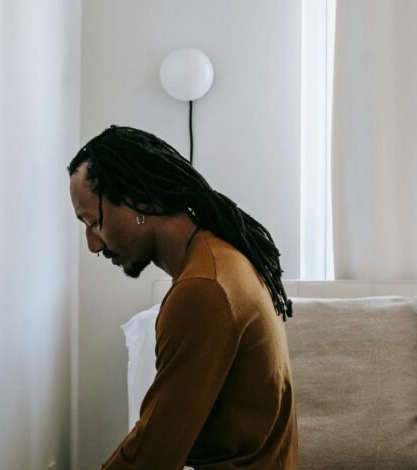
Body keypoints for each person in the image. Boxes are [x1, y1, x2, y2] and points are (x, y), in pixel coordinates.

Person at [67, 125, 298, 469]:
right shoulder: (223, 259)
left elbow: (152, 457)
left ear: (140, 200)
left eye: (94, 222)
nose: (93, 244)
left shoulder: (203, 291)